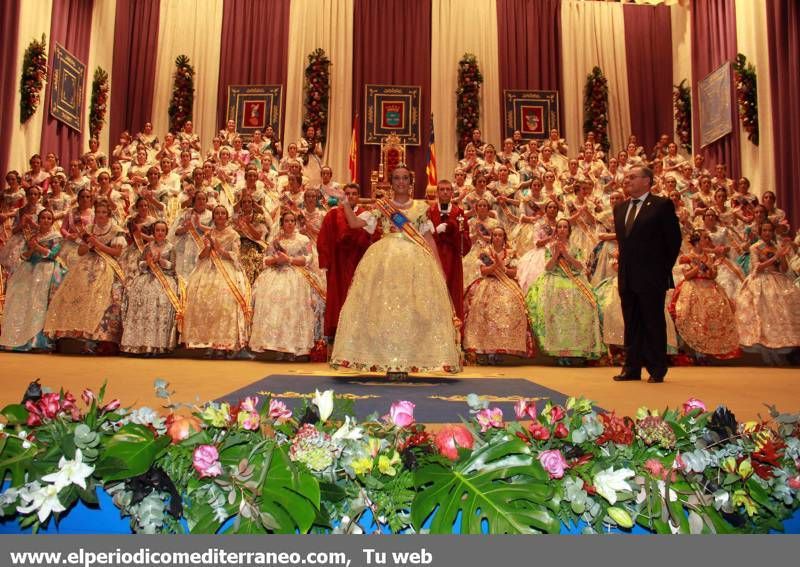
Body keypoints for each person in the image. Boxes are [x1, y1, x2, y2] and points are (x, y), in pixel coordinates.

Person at [330, 165, 462, 378]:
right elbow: (355, 223)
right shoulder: (381, 207)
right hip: (384, 261)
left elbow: (428, 239)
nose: (401, 182)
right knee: (383, 310)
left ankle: (407, 362)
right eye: (397, 178)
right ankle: (387, 362)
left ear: (410, 183)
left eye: (405, 178)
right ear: (391, 183)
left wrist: (438, 268)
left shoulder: (421, 208)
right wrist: (345, 205)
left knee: (412, 311)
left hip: (414, 262)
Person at [612, 166, 682, 383]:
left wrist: (661, 270)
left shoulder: (661, 205)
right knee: (631, 322)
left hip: (651, 276)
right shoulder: (620, 208)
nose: (627, 181)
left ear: (647, 181)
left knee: (652, 321)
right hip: (627, 276)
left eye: (632, 177)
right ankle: (631, 367)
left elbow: (674, 240)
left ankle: (656, 367)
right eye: (626, 178)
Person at [44, 199, 127, 353]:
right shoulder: (89, 228)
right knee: (74, 291)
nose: (101, 215)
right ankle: (73, 334)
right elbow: (81, 251)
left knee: (101, 295)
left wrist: (99, 245)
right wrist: (89, 245)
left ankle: (96, 338)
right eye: (99, 212)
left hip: (106, 265)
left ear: (109, 214)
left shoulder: (115, 230)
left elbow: (117, 252)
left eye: (104, 212)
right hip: (86, 263)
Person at [526, 219, 604, 363]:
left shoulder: (575, 246)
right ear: (556, 230)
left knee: (585, 304)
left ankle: (578, 350)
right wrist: (556, 254)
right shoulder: (550, 247)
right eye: (559, 227)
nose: (562, 229)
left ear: (569, 230)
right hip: (554, 278)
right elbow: (548, 268)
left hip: (574, 279)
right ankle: (559, 351)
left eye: (565, 227)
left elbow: (580, 267)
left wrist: (566, 255)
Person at [249, 211, 324, 357]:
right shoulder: (276, 240)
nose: (289, 224)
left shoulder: (303, 240)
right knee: (269, 297)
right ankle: (273, 344)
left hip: (296, 273)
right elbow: (265, 260)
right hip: (276, 272)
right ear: (282, 224)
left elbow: (308, 259)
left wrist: (289, 259)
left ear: (295, 223)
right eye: (286, 221)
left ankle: (293, 345)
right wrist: (276, 260)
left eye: (292, 221)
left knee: (292, 299)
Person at [182, 205, 250, 356]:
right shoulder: (207, 234)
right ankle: (209, 343)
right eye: (217, 213)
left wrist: (220, 249)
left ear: (227, 217)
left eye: (223, 213)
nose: (220, 216)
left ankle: (224, 343)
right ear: (213, 217)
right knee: (200, 296)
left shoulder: (233, 235)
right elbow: (200, 257)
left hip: (227, 269)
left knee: (224, 298)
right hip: (207, 268)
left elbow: (236, 257)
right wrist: (208, 248)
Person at [463, 227, 533, 360]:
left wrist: (503, 268)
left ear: (504, 238)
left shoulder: (511, 253)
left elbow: (514, 273)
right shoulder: (485, 253)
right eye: (494, 235)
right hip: (488, 282)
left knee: (511, 304)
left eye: (500, 235)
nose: (497, 237)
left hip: (506, 283)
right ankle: (487, 349)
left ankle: (503, 347)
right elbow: (483, 271)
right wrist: (494, 266)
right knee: (482, 307)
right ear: (491, 237)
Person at [0, 210, 66, 351]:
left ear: (52, 221)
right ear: (39, 220)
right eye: (43, 218)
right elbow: (24, 256)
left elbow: (53, 255)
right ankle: (18, 338)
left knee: (38, 302)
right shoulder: (33, 237)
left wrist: (38, 248)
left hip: (46, 269)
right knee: (21, 298)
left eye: (49, 218)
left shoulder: (56, 236)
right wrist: (30, 250)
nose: (46, 220)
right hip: (29, 269)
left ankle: (37, 340)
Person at [317, 183, 375, 340]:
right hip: (338, 264)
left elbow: (374, 238)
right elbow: (323, 239)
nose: (350, 196)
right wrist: (325, 263)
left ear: (359, 196)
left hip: (359, 262)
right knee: (338, 297)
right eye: (347, 193)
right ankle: (337, 333)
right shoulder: (333, 214)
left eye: (354, 193)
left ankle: (359, 334)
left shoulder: (366, 215)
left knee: (359, 296)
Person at [120, 220, 180, 355]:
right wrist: (147, 263)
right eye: (157, 230)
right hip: (147, 276)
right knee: (139, 295)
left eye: (162, 231)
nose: (160, 233)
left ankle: (156, 346)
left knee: (160, 297)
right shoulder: (148, 247)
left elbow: (173, 267)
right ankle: (140, 344)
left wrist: (161, 261)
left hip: (165, 278)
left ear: (166, 232)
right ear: (153, 232)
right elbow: (139, 264)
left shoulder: (171, 247)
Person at [429, 180, 471, 322]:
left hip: (453, 260)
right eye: (442, 189)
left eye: (448, 189)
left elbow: (465, 242)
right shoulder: (430, 211)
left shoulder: (458, 212)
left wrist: (452, 230)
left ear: (452, 193)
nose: (445, 192)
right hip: (434, 258)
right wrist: (436, 232)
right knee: (434, 292)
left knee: (453, 293)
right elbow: (423, 237)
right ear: (437, 192)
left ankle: (455, 332)